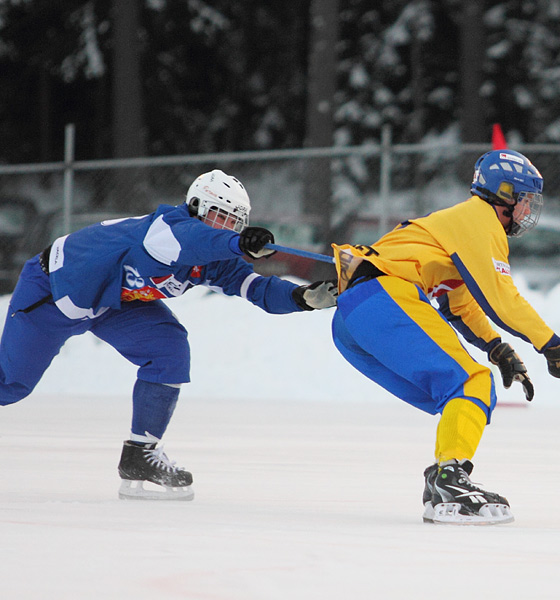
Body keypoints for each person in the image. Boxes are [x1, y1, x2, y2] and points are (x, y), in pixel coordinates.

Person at [0, 169, 337, 501]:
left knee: (168, 350)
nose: (228, 227)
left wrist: (300, 298)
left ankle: (139, 456)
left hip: (112, 302)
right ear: (196, 207)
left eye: (235, 222)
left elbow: (254, 287)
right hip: (57, 290)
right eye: (221, 217)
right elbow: (195, 240)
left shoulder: (216, 251)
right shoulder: (167, 231)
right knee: (11, 386)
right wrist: (237, 242)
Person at [329, 150, 560, 525]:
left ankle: (444, 480)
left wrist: (497, 348)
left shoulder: (458, 225)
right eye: (526, 199)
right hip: (386, 299)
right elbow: (502, 299)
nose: (528, 210)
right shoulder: (481, 220)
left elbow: (460, 305)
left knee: (465, 393)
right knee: (472, 383)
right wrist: (555, 347)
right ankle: (451, 478)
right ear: (505, 194)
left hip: (355, 318)